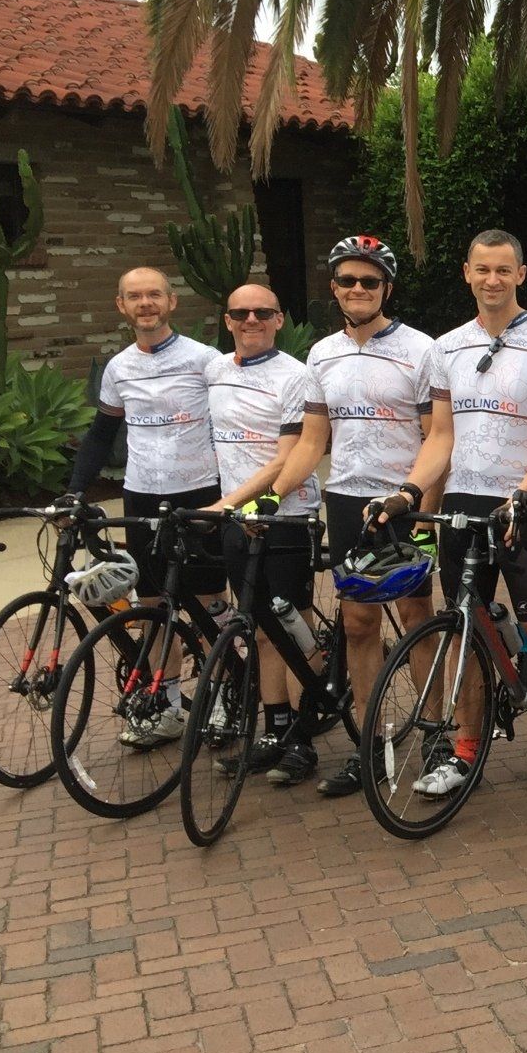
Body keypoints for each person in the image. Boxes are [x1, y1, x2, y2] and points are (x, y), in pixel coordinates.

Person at [386, 231, 527, 803]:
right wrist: (411, 493)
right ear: (466, 273)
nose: (492, 280)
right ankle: (465, 749)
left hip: (523, 502)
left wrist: (524, 493)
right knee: (463, 624)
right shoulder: (446, 347)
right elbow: (441, 436)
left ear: (521, 274)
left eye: (503, 270)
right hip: (463, 502)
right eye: (482, 270)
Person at [270, 235, 439, 798]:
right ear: (334, 288)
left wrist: (422, 509)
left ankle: (435, 737)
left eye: (370, 281)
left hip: (403, 501)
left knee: (416, 616)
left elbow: (437, 437)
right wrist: (272, 496)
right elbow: (311, 440)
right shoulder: (321, 354)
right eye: (348, 280)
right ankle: (369, 745)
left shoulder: (421, 350)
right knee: (358, 624)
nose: (358, 289)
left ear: (387, 288)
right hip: (345, 499)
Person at [65, 265, 228, 746]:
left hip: (200, 493)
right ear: (121, 306)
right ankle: (168, 707)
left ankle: (223, 697)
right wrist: (75, 491)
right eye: (134, 297)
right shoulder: (118, 368)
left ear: (171, 301)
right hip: (142, 496)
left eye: (154, 294)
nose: (145, 304)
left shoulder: (205, 360)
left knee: (208, 604)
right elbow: (101, 434)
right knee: (155, 607)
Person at [206, 284, 324, 786]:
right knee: (257, 628)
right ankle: (275, 729)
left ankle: (303, 734)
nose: (250, 319)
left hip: (285, 515)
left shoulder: (296, 376)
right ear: (227, 320)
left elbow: (287, 457)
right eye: (240, 313)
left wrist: (230, 503)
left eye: (262, 312)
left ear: (278, 319)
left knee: (291, 625)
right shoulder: (215, 371)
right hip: (236, 519)